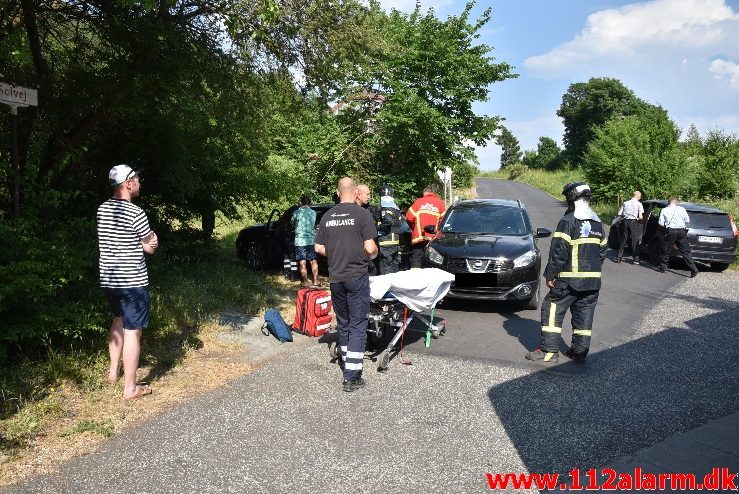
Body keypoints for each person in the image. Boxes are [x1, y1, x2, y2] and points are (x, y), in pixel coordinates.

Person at [526, 182, 607, 364]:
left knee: (551, 308)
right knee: (584, 316)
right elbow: (603, 251)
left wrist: (550, 275)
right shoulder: (597, 223)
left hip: (569, 280)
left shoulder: (569, 221)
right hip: (592, 282)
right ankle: (579, 353)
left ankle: (548, 351)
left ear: (571, 199)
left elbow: (559, 252)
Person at [97, 164, 158, 399]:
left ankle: (113, 372)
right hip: (133, 281)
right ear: (128, 183)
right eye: (138, 180)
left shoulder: (102, 209)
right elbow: (149, 247)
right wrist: (152, 241)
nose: (140, 184)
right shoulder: (136, 213)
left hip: (110, 280)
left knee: (118, 320)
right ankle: (130, 388)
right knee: (133, 331)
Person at [315, 177, 378, 392]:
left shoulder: (327, 216)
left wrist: (336, 253)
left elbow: (318, 247)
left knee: (343, 322)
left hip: (336, 278)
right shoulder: (363, 215)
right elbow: (370, 248)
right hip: (356, 276)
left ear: (337, 192)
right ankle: (351, 377)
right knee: (358, 324)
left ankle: (345, 360)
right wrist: (372, 254)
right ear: (355, 192)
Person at [658, 197, 698, 277]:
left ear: (668, 203)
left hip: (671, 231)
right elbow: (687, 220)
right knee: (685, 251)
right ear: (676, 203)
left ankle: (664, 267)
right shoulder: (682, 209)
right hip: (681, 232)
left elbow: (661, 223)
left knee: (666, 249)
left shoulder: (664, 210)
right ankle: (693, 268)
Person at [406, 186, 445, 268]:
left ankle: (416, 279)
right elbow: (444, 222)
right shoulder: (440, 203)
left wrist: (414, 228)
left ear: (424, 194)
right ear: (433, 193)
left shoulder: (418, 202)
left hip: (418, 238)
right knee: (433, 262)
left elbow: (409, 217)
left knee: (416, 261)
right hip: (434, 239)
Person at [375, 184, 409, 274]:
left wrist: (378, 229)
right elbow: (404, 227)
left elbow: (388, 220)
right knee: (394, 267)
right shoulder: (396, 209)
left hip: (385, 242)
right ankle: (395, 288)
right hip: (395, 242)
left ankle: (388, 288)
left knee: (386, 267)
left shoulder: (384, 208)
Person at [291, 195, 319, 286]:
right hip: (311, 240)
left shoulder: (296, 212)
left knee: (302, 262)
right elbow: (314, 224)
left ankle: (305, 282)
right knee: (313, 260)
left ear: (301, 202)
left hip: (300, 240)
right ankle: (316, 281)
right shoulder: (313, 212)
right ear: (309, 203)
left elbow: (292, 224)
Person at [617, 191, 644, 263]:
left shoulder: (625, 203)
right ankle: (635, 259)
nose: (640, 198)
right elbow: (641, 217)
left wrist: (625, 215)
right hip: (633, 222)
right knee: (635, 240)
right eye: (640, 197)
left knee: (624, 239)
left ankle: (619, 258)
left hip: (625, 221)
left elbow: (619, 213)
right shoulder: (639, 204)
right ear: (638, 196)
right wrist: (639, 219)